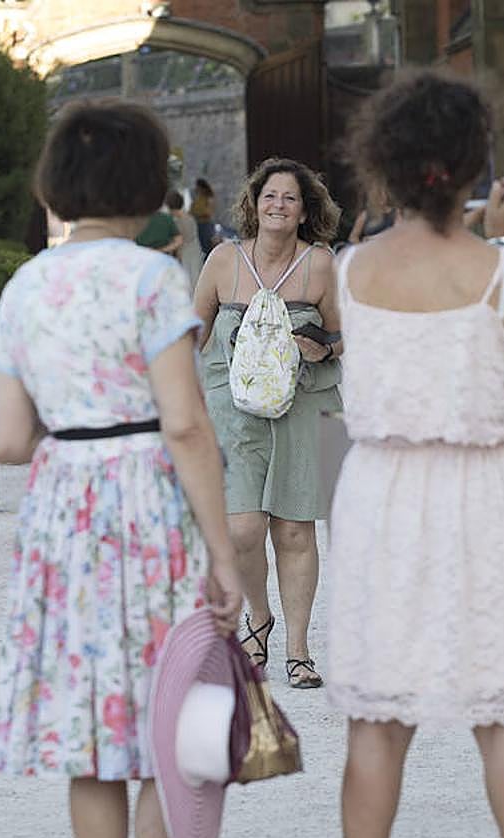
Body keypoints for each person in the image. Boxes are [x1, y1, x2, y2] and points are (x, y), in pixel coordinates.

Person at [0, 100, 243, 838]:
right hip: (150, 505)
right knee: (167, 723)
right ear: (142, 181)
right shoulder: (153, 277)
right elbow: (187, 425)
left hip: (64, 509)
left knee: (91, 731)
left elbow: (3, 440)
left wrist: (77, 435)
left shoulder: (27, 286)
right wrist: (223, 554)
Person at [327, 70, 504, 838]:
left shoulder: (347, 272)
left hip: (381, 496)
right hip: (485, 496)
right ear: (471, 165)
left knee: (377, 723)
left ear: (384, 162)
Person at [193, 157, 342, 688]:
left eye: (290, 198)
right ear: (254, 205)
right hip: (230, 412)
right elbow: (195, 332)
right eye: (270, 196)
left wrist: (318, 346)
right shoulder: (222, 260)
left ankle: (298, 650)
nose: (278, 205)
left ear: (305, 212)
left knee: (297, 529)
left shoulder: (321, 264)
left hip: (307, 407)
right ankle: (259, 617)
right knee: (242, 529)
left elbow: (345, 338)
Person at [167, 189, 203, 286]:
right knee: (196, 280)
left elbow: (180, 243)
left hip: (185, 255)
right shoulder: (191, 218)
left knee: (187, 282)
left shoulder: (177, 222)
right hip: (196, 251)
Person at [190, 178, 216, 257]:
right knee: (201, 247)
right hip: (198, 224)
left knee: (207, 246)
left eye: (197, 187)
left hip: (205, 224)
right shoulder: (197, 198)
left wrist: (197, 213)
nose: (196, 189)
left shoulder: (209, 197)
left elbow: (209, 212)